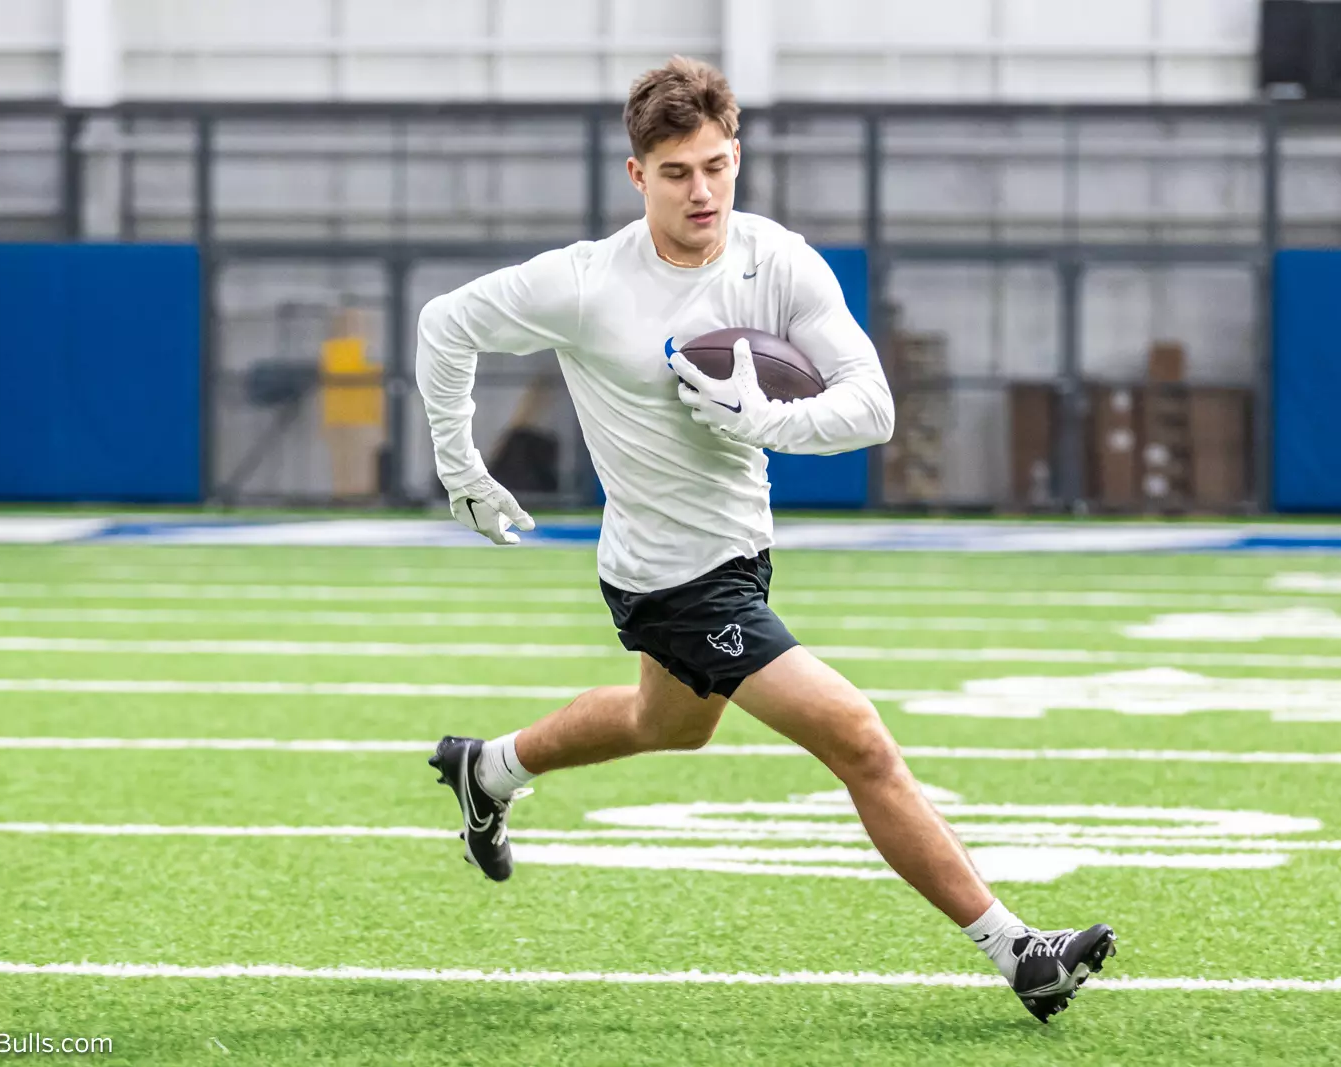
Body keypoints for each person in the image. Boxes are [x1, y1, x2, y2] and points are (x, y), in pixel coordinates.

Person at [415, 56, 1114, 1022]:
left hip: (736, 552)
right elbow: (443, 324)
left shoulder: (775, 259)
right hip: (674, 581)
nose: (702, 191)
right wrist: (463, 470)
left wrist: (766, 420)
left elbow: (872, 408)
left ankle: (486, 768)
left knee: (666, 725)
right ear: (636, 175)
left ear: (735, 155)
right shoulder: (583, 283)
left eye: (716, 165)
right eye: (676, 173)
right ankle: (1017, 950)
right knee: (859, 738)